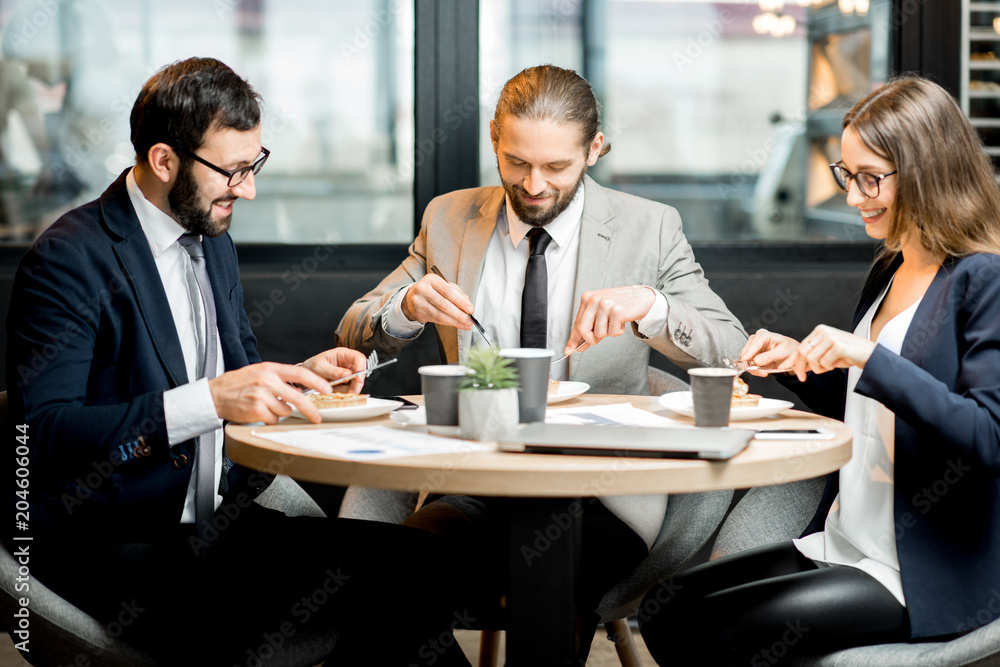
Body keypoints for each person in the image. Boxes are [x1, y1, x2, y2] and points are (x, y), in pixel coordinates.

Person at [5, 57, 475, 666]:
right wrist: (211, 402)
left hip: (218, 526)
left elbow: (238, 376)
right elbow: (38, 437)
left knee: (425, 566)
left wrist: (301, 378)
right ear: (164, 161)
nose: (248, 189)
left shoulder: (212, 239)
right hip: (111, 541)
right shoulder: (70, 259)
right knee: (388, 600)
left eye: (254, 166)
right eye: (232, 171)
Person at [336, 64, 748, 658]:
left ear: (595, 149)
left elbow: (731, 349)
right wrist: (405, 306)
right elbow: (356, 327)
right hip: (478, 479)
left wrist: (652, 307)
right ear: (494, 141)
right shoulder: (450, 219)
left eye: (556, 167)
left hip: (604, 489)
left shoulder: (649, 228)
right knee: (390, 585)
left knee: (553, 588)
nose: (532, 185)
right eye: (516, 162)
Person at [637, 75, 1000, 665]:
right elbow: (867, 402)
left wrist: (867, 355)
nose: (853, 197)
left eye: (870, 179)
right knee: (664, 607)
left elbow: (989, 437)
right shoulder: (890, 269)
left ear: (929, 172)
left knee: (725, 634)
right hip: (846, 540)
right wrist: (798, 365)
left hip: (920, 572)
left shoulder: (982, 278)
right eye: (846, 175)